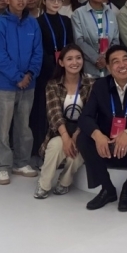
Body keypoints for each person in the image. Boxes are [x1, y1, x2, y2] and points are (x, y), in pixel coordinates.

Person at [76, 45, 127, 212]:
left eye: (125, 59)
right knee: (84, 138)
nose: (122, 65)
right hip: (108, 145)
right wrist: (98, 135)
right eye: (116, 62)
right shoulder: (100, 86)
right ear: (108, 67)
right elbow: (85, 117)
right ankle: (107, 189)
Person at [0, 0, 44, 185]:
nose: (21, 0)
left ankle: (21, 162)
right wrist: (17, 76)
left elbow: (38, 52)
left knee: (24, 126)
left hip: (29, 84)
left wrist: (29, 74)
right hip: (6, 84)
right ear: (7, 0)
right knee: (3, 128)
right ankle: (2, 166)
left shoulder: (32, 23)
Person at [34, 44, 95, 198]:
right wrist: (67, 137)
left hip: (83, 131)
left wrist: (77, 135)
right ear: (61, 62)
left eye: (78, 58)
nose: (75, 62)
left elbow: (90, 113)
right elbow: (54, 114)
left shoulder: (91, 83)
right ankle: (44, 184)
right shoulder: (53, 84)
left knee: (79, 149)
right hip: (60, 131)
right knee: (56, 146)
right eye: (69, 59)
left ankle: (65, 182)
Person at [33, 0, 75, 159]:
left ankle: (64, 149)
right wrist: (53, 64)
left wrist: (67, 64)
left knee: (63, 110)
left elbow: (71, 44)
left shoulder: (66, 20)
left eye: (59, 0)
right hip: (46, 72)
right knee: (43, 111)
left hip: (65, 70)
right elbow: (38, 48)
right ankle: (41, 149)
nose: (56, 3)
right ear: (44, 1)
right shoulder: (38, 22)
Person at [71, 0, 121, 77]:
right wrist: (96, 59)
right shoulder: (78, 13)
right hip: (89, 67)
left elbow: (115, 39)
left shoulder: (111, 13)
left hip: (109, 66)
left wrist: (107, 58)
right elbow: (79, 40)